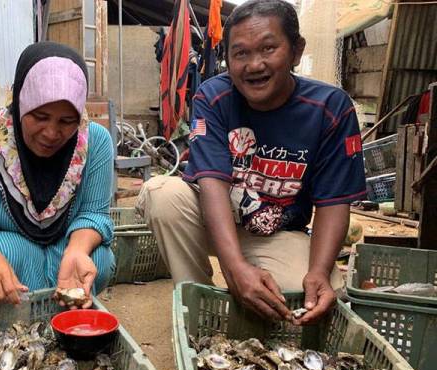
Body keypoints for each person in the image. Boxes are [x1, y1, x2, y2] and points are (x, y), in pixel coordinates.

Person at [137, 0, 365, 325]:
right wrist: (234, 268)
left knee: (318, 292)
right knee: (162, 193)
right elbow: (212, 184)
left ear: (296, 51)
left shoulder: (330, 108)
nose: (254, 64)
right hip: (216, 222)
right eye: (240, 53)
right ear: (227, 58)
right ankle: (199, 309)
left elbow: (333, 202)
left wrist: (317, 271)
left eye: (268, 48)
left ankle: (256, 300)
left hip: (278, 233)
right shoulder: (213, 97)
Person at [0, 42, 115, 306]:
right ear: (20, 103)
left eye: (66, 121)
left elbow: (94, 213)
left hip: (64, 247)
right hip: (15, 252)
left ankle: (63, 309)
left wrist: (77, 250)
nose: (51, 133)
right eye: (40, 116)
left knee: (99, 259)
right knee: (1, 250)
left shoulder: (95, 142)